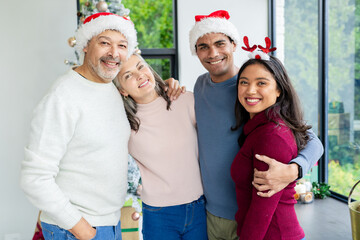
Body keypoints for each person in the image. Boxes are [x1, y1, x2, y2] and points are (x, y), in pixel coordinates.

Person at [21, 12, 182, 240]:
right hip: (76, 230)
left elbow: (146, 104)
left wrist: (169, 87)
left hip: (109, 224)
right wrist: (82, 230)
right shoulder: (62, 97)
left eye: (122, 45)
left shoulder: (112, 89)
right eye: (104, 43)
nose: (114, 53)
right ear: (86, 46)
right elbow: (34, 178)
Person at [189, 10, 324, 239]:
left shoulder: (254, 91)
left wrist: (294, 169)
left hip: (249, 214)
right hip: (210, 212)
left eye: (220, 43)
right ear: (196, 52)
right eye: (203, 47)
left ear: (234, 45)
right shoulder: (200, 86)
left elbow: (312, 141)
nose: (213, 53)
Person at [114, 53, 207, 240]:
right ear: (122, 91)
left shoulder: (185, 100)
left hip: (199, 208)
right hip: (158, 214)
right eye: (128, 76)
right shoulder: (124, 125)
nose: (139, 75)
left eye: (140, 67)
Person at [231, 37, 307, 239]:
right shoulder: (259, 127)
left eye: (261, 83)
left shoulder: (272, 136)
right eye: (244, 82)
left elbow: (261, 212)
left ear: (279, 89)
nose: (250, 90)